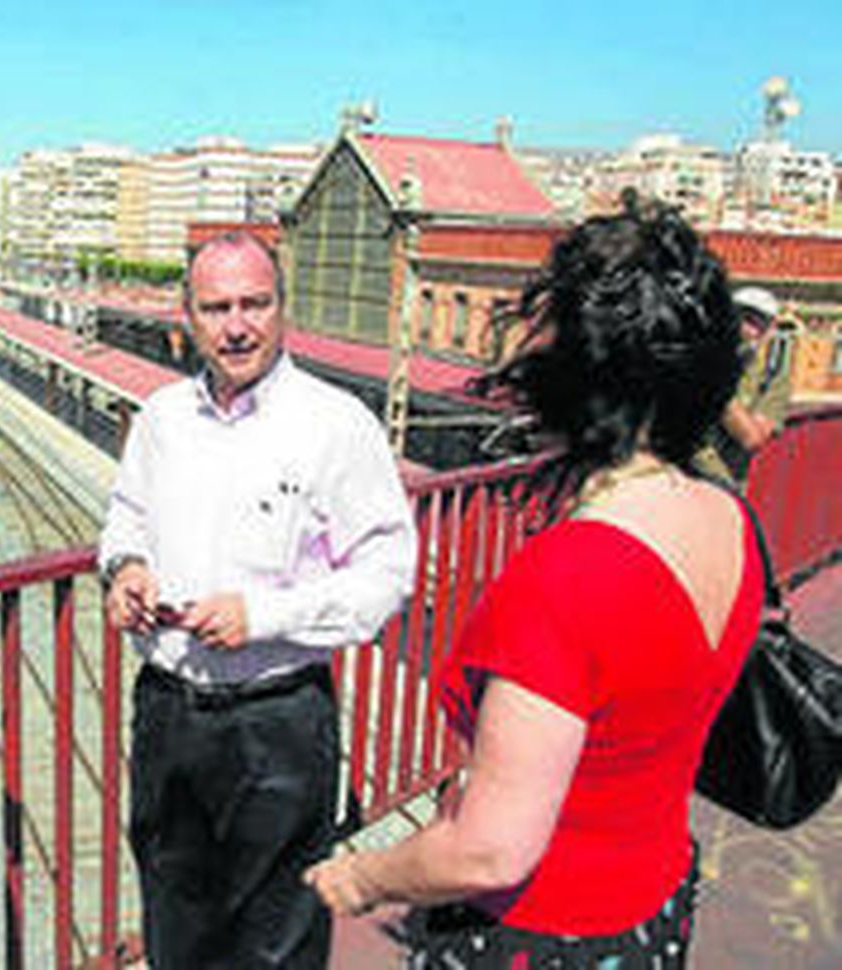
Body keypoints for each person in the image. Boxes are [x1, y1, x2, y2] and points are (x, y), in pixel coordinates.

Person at [304, 196, 763, 967]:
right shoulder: (729, 519)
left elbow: (490, 851)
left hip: (542, 934)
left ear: (578, 376)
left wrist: (361, 877)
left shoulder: (568, 578)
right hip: (652, 904)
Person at [99, 231, 417, 968]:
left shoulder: (336, 424)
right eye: (216, 307)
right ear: (188, 315)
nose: (236, 325)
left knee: (278, 938)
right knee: (175, 920)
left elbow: (387, 573)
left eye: (254, 303)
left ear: (283, 309)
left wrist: (265, 616)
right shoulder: (161, 419)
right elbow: (126, 516)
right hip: (168, 711)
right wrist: (126, 569)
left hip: (278, 720)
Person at [695, 284, 792, 483]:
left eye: (755, 322)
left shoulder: (771, 377)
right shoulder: (692, 357)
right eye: (737, 317)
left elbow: (751, 438)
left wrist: (717, 384)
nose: (743, 328)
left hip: (722, 487)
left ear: (769, 330)